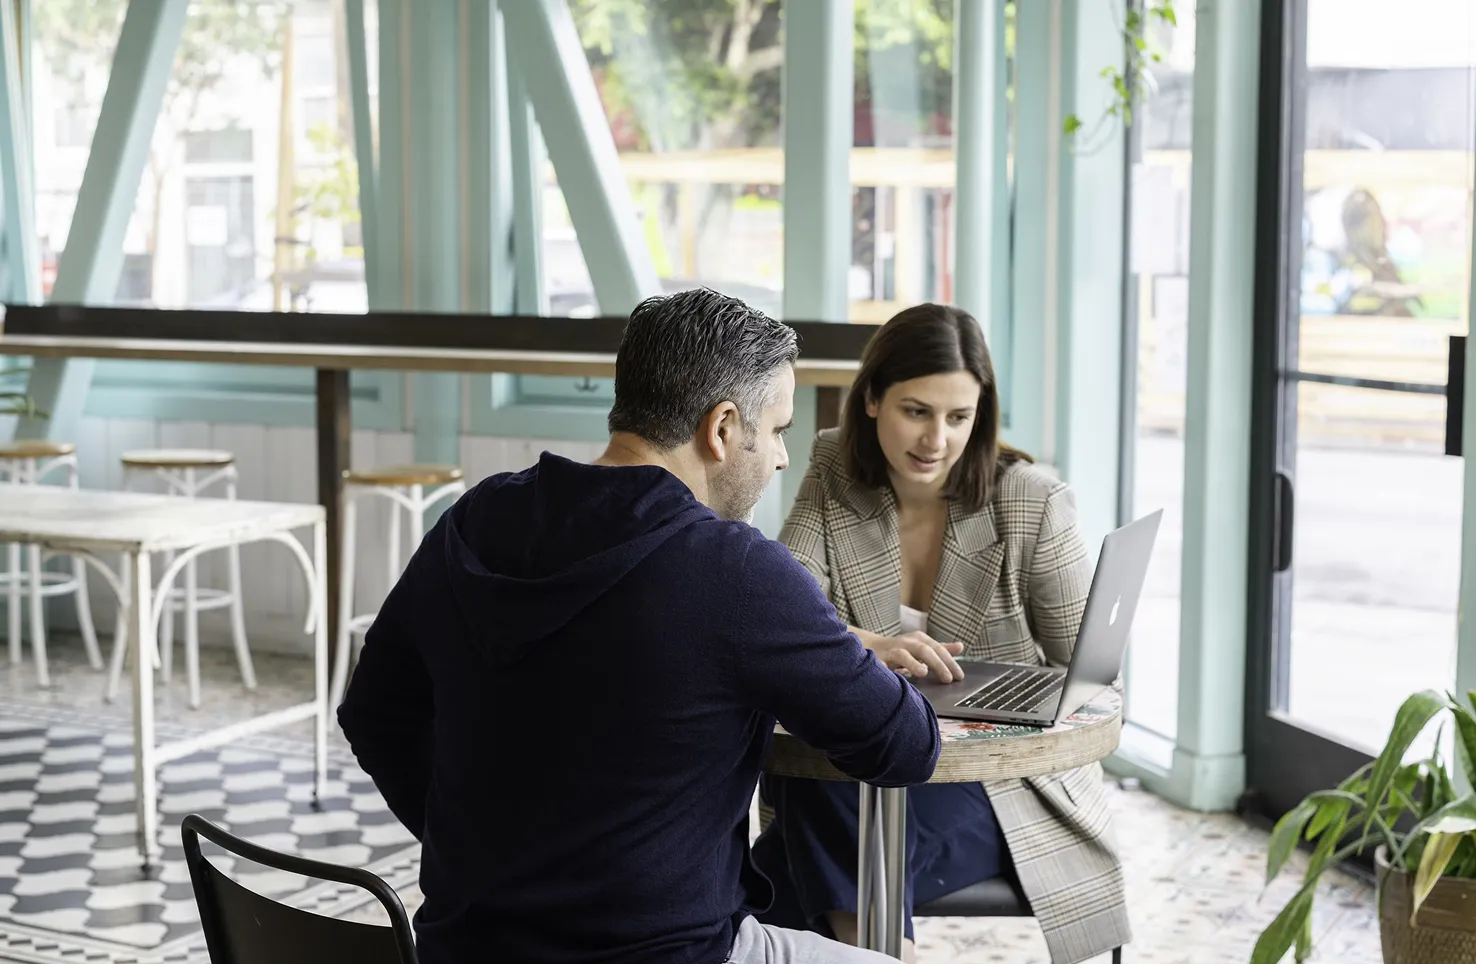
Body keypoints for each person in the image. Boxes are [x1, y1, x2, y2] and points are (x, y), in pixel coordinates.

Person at [337, 288, 942, 964]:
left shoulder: (474, 521)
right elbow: (905, 745)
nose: (778, 457)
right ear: (721, 428)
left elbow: (373, 712)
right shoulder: (738, 573)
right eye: (776, 430)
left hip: (467, 947)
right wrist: (832, 641)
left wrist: (483, 857)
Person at [753, 304, 1131, 964]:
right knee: (811, 812)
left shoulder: (1031, 500)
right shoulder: (834, 466)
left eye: (960, 418)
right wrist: (864, 644)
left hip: (999, 788)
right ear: (871, 399)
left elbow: (1096, 683)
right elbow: (786, 607)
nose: (937, 440)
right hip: (867, 766)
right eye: (917, 411)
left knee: (764, 874)